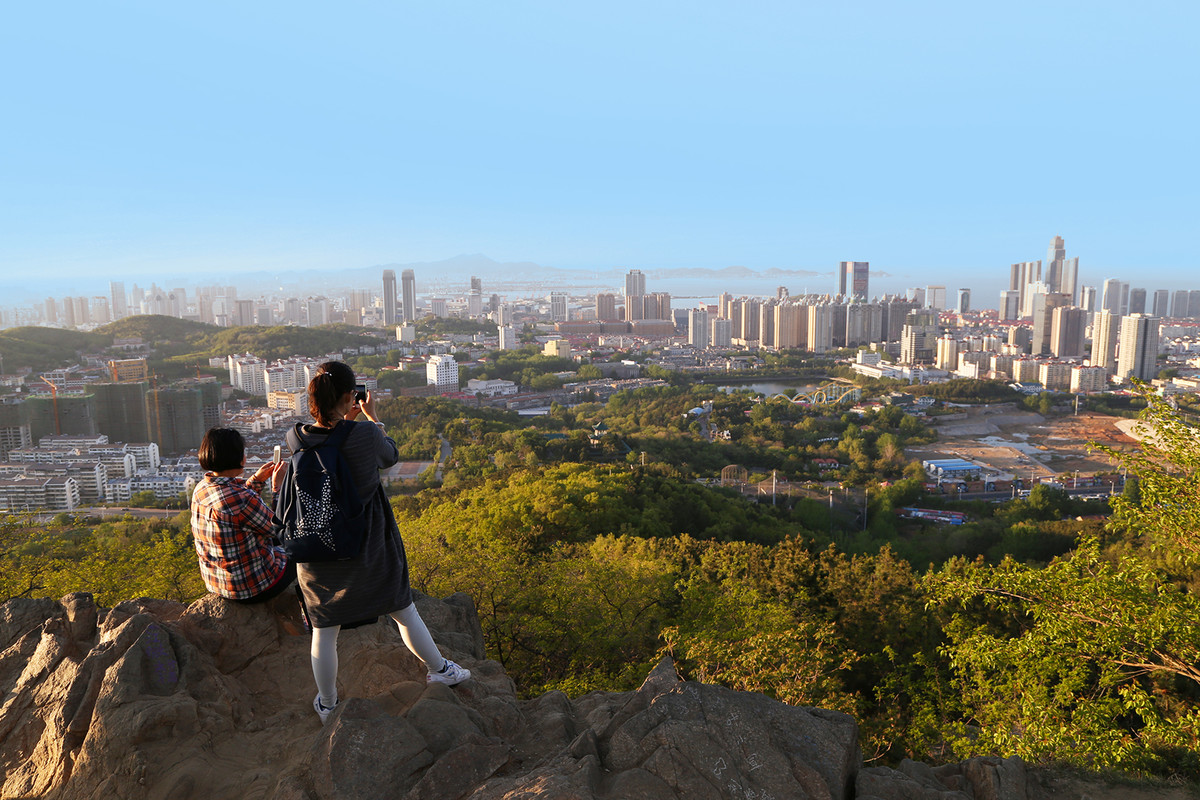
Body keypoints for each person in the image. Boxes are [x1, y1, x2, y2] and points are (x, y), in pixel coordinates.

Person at [292, 361, 469, 724]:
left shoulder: (297, 437)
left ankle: (327, 704)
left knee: (325, 628)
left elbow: (328, 439)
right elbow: (389, 456)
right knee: (402, 609)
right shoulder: (365, 435)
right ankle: (440, 670)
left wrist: (344, 417)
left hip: (317, 543)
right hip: (367, 542)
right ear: (349, 397)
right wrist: (371, 418)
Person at [191, 427, 293, 603]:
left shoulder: (201, 488)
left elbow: (235, 508)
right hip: (253, 587)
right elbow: (280, 530)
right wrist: (278, 489)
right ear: (239, 457)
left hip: (217, 583)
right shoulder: (243, 499)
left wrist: (257, 480)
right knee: (302, 546)